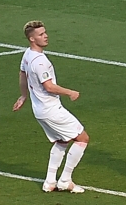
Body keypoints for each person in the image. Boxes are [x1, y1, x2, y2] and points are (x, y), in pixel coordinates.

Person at [12, 21, 89, 193]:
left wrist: (24, 95)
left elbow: (22, 73)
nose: (45, 36)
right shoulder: (40, 62)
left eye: (45, 32)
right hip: (51, 110)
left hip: (40, 110)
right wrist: (70, 92)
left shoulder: (27, 54)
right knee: (82, 138)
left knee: (62, 140)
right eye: (41, 34)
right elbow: (49, 86)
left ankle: (49, 182)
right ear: (32, 39)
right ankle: (65, 180)